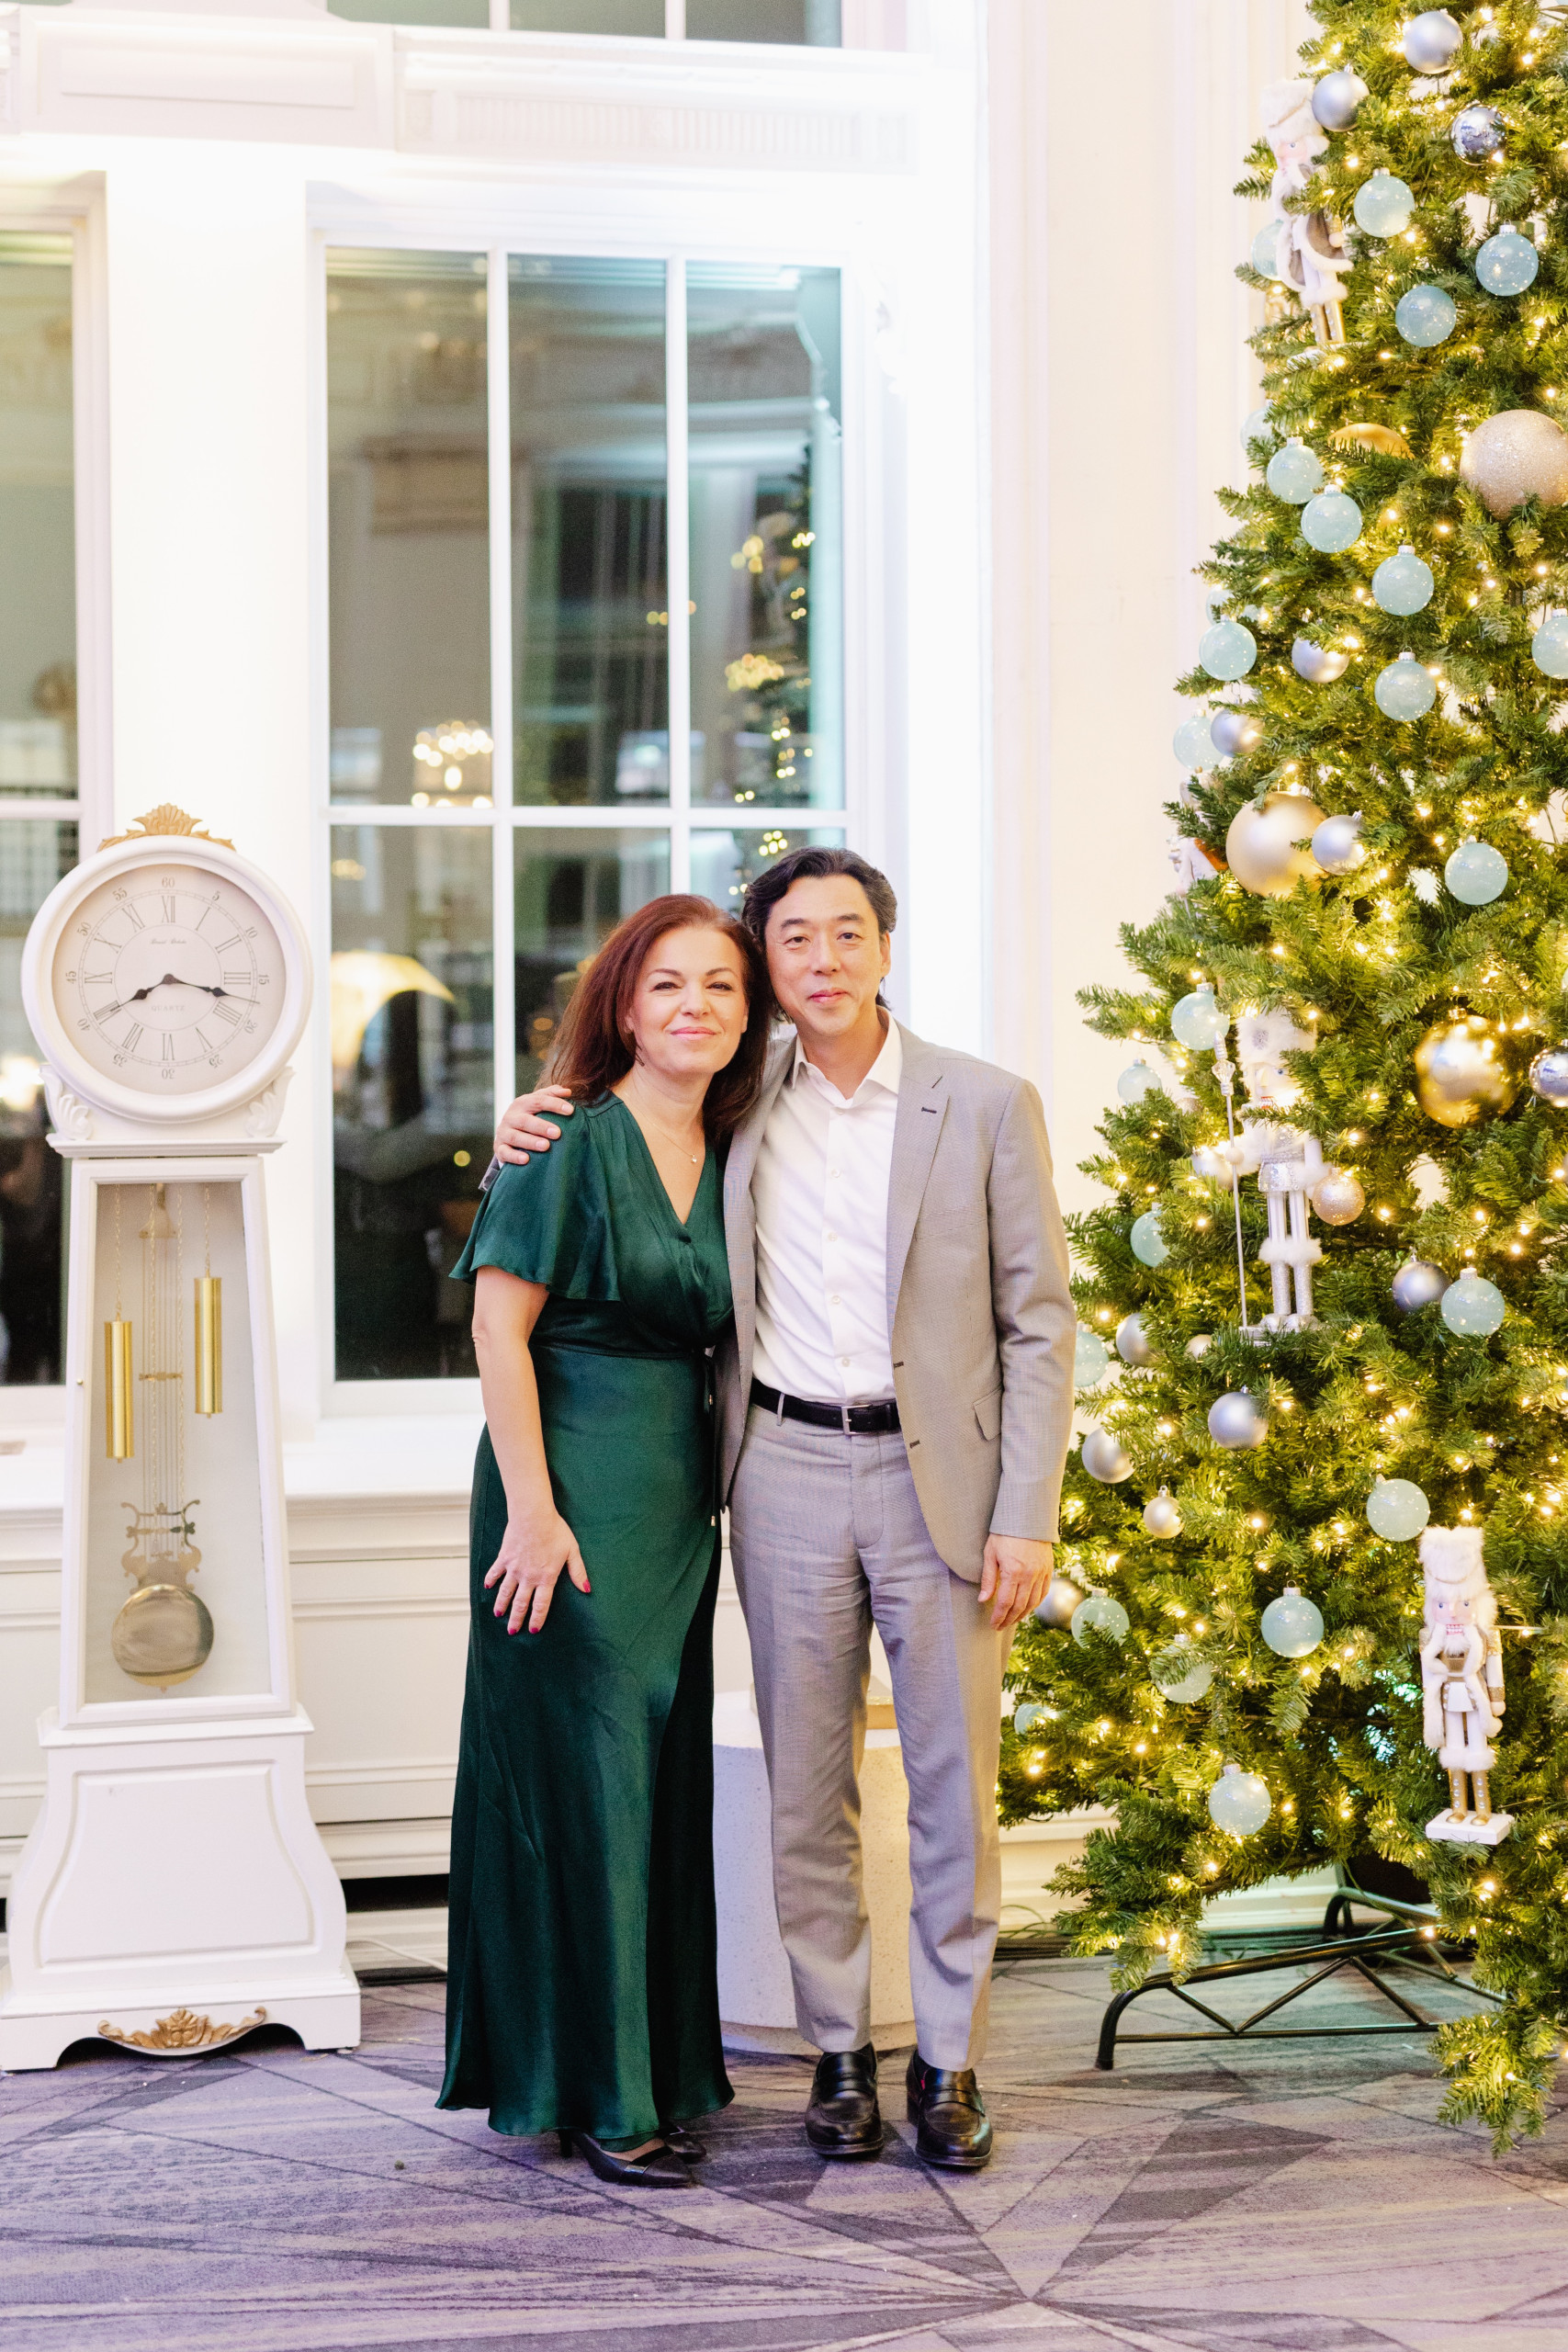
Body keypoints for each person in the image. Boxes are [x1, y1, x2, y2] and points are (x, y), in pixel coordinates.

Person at [492, 847, 1075, 2173]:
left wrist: (1027, 1511)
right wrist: (533, 1115)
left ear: (884, 948)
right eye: (794, 940)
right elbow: (618, 1138)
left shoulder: (983, 1104)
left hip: (950, 1489)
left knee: (952, 1789)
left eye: (845, 934)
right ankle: (839, 2054)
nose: (821, 961)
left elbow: (1039, 1324)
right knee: (808, 1794)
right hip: (781, 1477)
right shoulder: (739, 1101)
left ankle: (947, 2061)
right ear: (774, 967)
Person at [440, 894, 771, 2188]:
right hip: (564, 1491)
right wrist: (531, 1506)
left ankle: (660, 2065)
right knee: (591, 1780)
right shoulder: (567, 1137)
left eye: (723, 988)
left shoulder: (743, 1137)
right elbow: (494, 1331)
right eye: (669, 985)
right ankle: (596, 2092)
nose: (697, 1006)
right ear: (624, 1003)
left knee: (653, 1777)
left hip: (674, 1501)